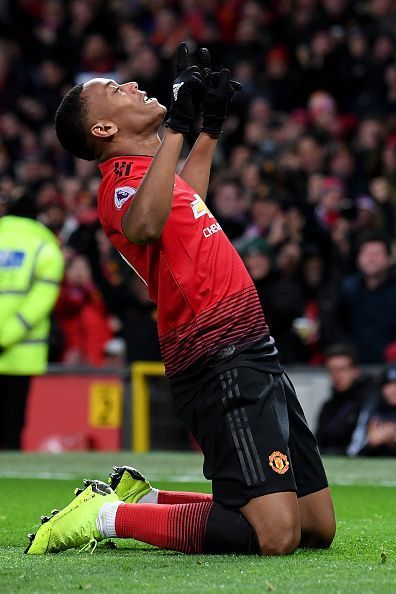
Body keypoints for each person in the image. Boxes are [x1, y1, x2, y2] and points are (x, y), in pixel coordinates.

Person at [26, 44, 335, 556]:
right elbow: (146, 225)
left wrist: (207, 128)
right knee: (275, 536)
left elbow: (184, 201)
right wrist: (176, 127)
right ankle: (106, 517)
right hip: (217, 357)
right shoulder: (118, 183)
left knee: (314, 525)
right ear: (103, 130)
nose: (129, 85)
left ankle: (145, 500)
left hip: (252, 345)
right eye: (113, 89)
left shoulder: (151, 174)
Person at [0, 190, 64, 449]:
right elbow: (42, 299)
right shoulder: (44, 246)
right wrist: (7, 336)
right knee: (14, 422)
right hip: (22, 351)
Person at [334, 232, 396, 363]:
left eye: (377, 254)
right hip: (354, 365)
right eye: (367, 253)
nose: (371, 259)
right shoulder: (347, 289)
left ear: (389, 259)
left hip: (390, 366)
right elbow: (336, 324)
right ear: (358, 259)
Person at [316, 344, 376, 455]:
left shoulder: (369, 403)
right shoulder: (327, 405)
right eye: (332, 370)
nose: (336, 375)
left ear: (355, 371)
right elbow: (318, 442)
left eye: (342, 369)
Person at [347, 364, 396, 457]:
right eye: (389, 385)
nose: (394, 390)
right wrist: (371, 443)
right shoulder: (371, 410)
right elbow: (353, 452)